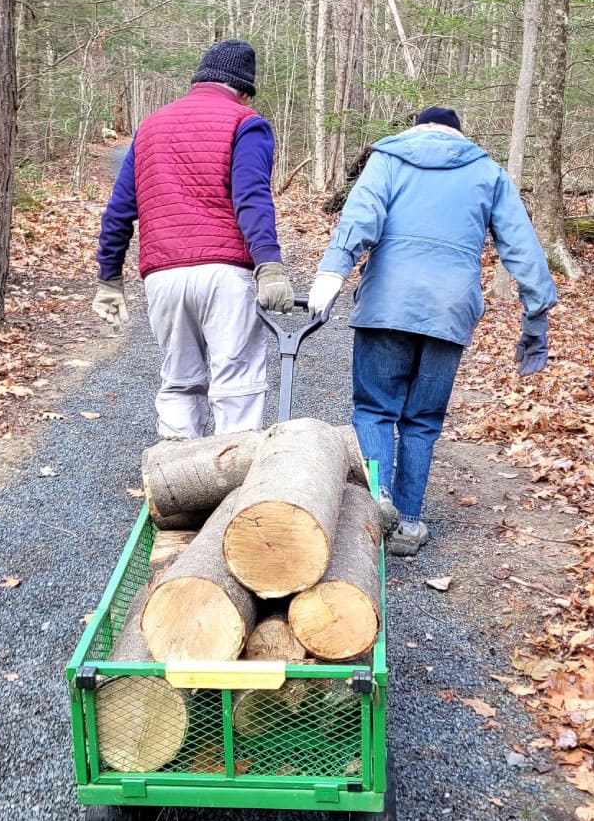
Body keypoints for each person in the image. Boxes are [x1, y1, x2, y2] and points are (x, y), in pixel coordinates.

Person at [307, 106, 557, 556]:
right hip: (450, 310)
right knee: (422, 421)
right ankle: (406, 523)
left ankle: (374, 504)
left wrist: (332, 273)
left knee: (375, 408)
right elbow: (521, 244)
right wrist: (536, 311)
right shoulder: (486, 172)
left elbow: (361, 218)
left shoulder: (390, 159)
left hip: (387, 302)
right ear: (457, 134)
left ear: (417, 128)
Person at [93, 39, 295, 439]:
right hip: (225, 275)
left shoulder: (150, 126)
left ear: (200, 78)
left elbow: (119, 209)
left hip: (163, 277)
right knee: (236, 385)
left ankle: (178, 484)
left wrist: (109, 278)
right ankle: (229, 484)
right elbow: (251, 198)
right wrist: (269, 265)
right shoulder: (246, 122)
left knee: (180, 381)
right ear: (243, 90)